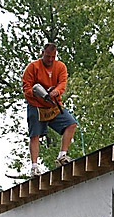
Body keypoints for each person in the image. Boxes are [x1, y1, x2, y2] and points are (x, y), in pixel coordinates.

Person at [22, 43, 78, 178]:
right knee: (35, 134)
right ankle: (34, 167)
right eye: (48, 56)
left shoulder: (61, 67)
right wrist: (37, 93)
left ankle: (62, 156)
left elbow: (62, 83)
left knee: (71, 124)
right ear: (43, 53)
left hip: (53, 105)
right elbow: (26, 87)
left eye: (53, 57)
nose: (50, 59)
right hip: (36, 106)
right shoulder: (33, 67)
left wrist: (56, 91)